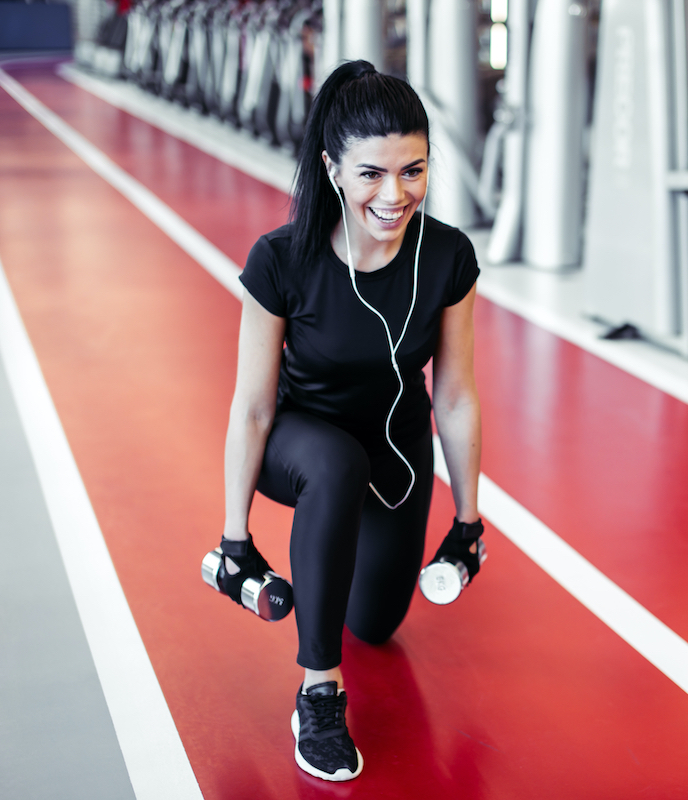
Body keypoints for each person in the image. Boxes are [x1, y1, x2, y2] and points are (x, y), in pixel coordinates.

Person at [215, 59, 484, 782]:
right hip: (299, 442)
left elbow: (454, 395)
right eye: (371, 174)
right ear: (333, 168)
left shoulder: (449, 255)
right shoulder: (282, 259)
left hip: (395, 455)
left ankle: (351, 575)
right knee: (337, 466)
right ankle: (319, 693)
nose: (395, 195)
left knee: (374, 623)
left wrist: (469, 520)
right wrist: (234, 540)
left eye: (413, 171)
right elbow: (252, 406)